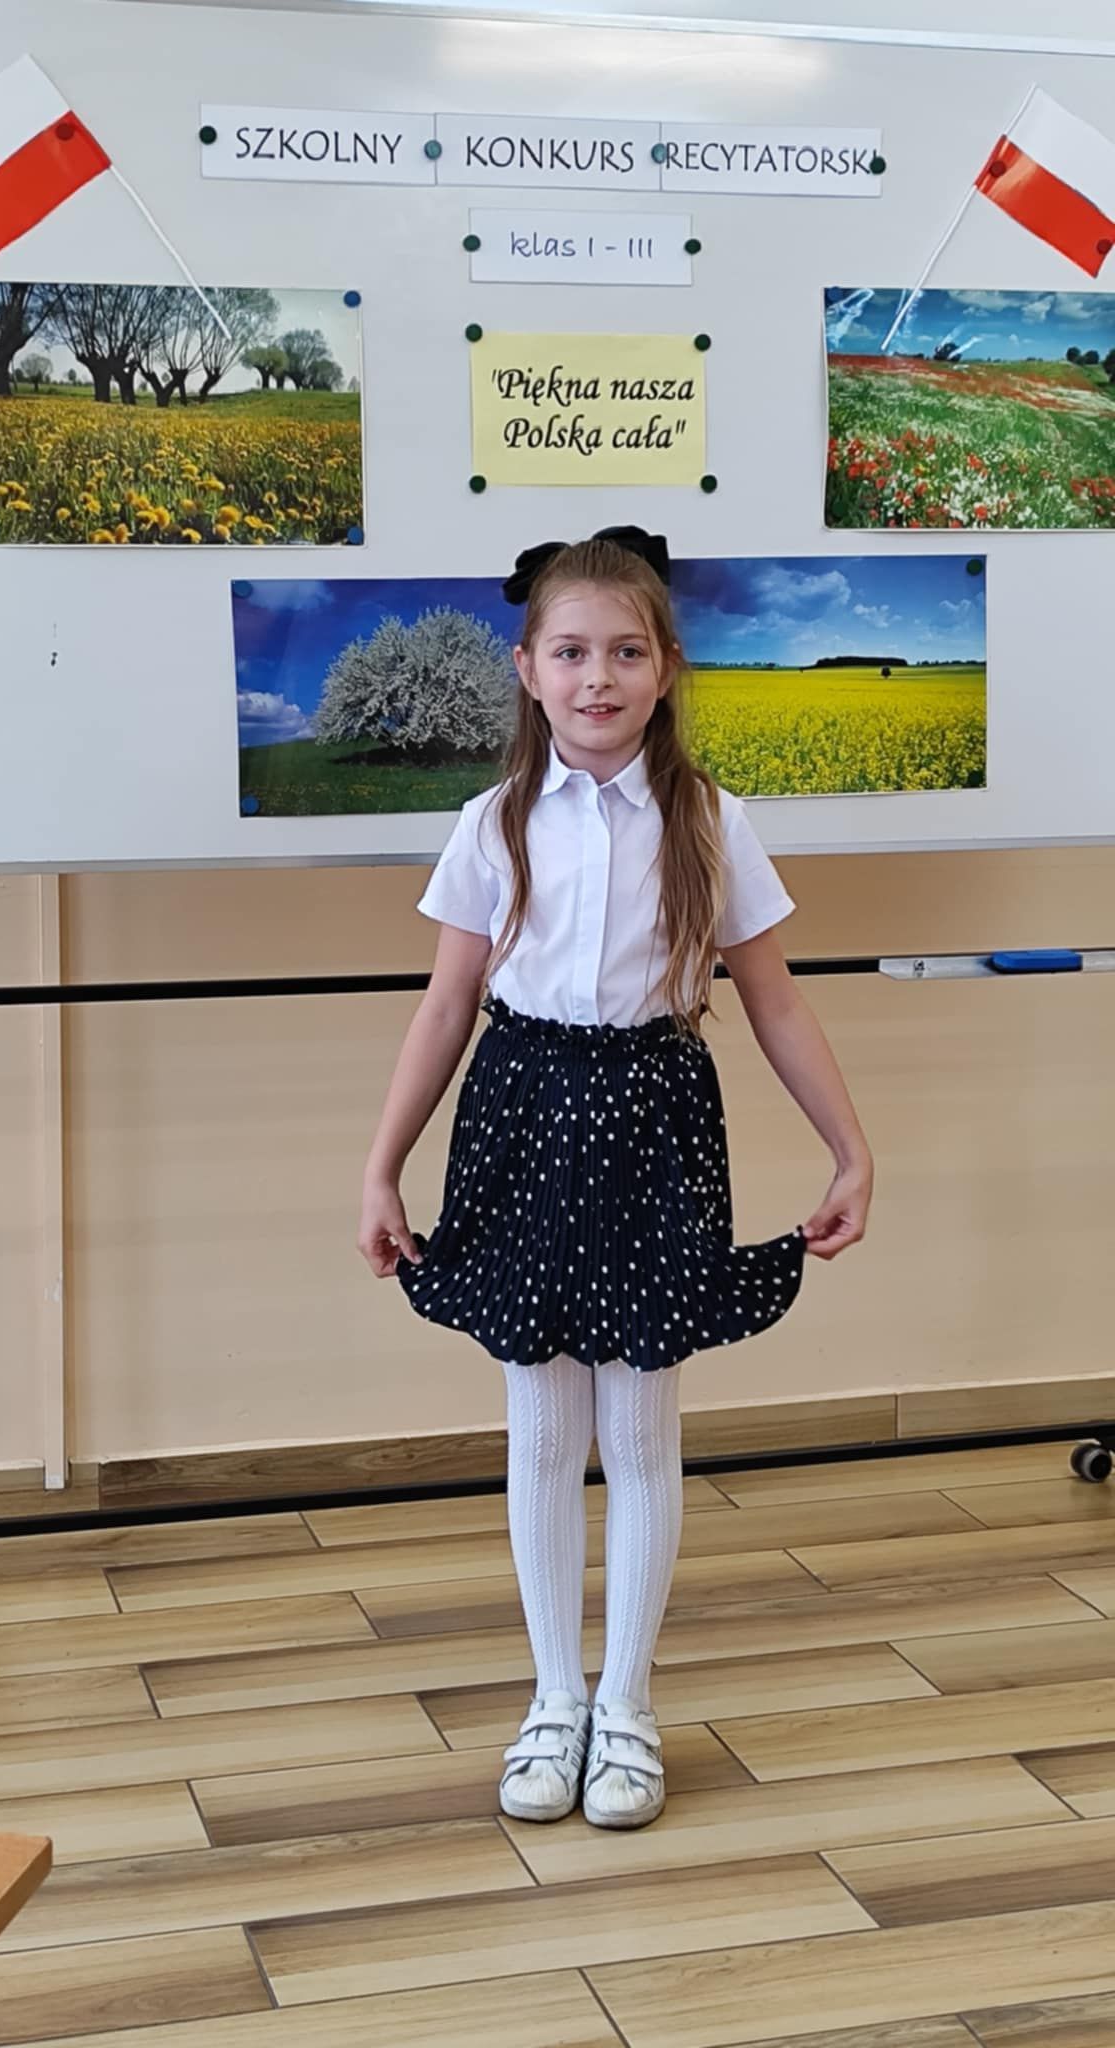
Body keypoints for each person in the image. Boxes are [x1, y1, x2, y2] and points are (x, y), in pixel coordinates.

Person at [358, 527, 873, 1833]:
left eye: (627, 652)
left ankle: (628, 1706)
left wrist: (850, 1148)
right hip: (521, 1120)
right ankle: (555, 1701)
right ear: (528, 668)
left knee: (639, 1427)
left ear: (667, 666)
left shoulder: (709, 821)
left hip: (655, 1123)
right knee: (543, 1427)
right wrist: (382, 1167)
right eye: (573, 652)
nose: (599, 678)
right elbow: (444, 1009)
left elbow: (775, 1003)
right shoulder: (492, 824)